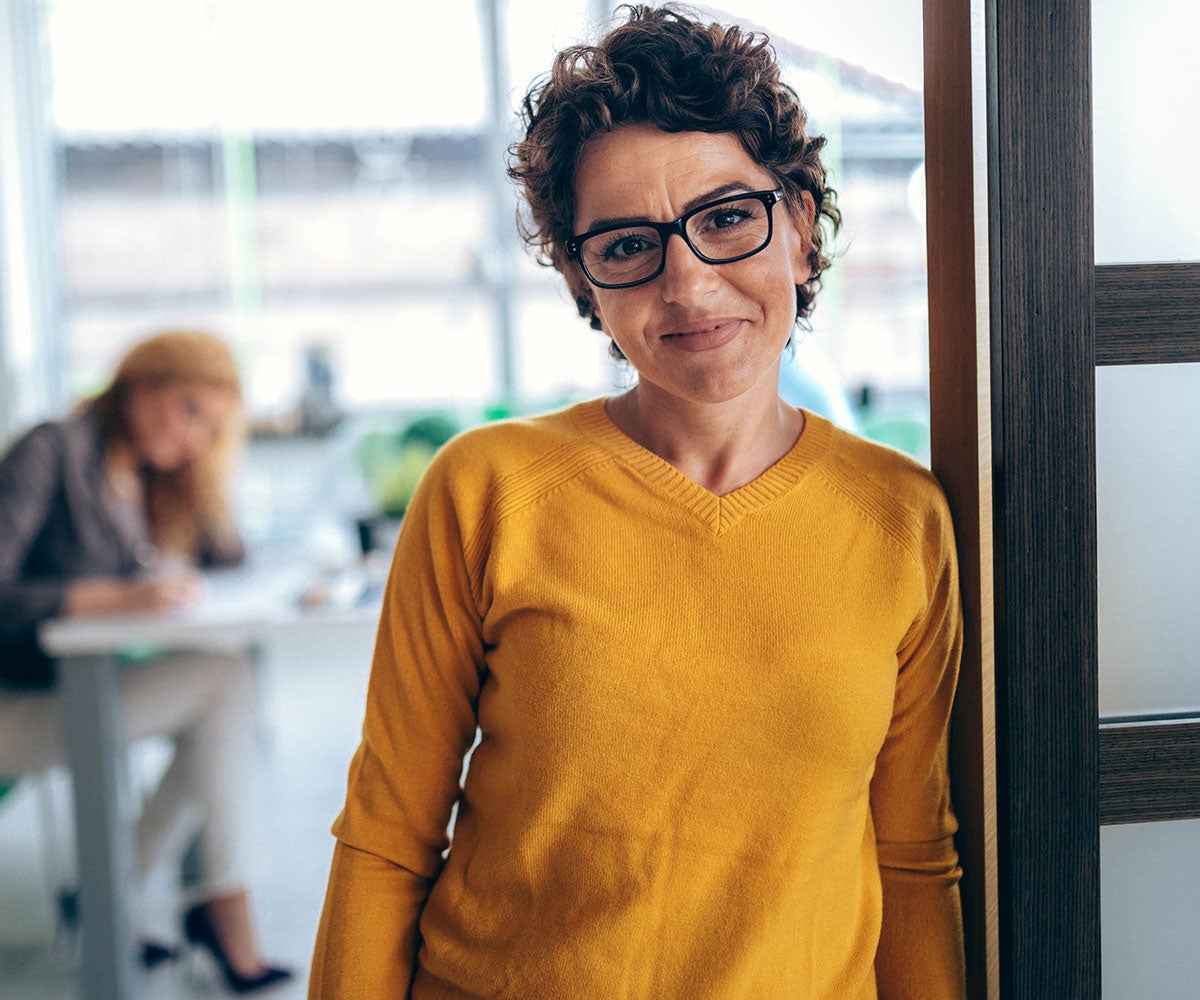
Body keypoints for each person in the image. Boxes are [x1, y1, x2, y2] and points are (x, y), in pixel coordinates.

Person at [310, 5, 965, 998]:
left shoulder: (902, 519)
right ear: (584, 281)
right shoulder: (486, 491)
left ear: (795, 222)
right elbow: (384, 842)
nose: (690, 289)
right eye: (626, 245)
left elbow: (913, 856)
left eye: (727, 218)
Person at [0, 330, 292, 994]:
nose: (193, 435)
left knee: (222, 688)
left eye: (211, 426)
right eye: (190, 410)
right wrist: (114, 597)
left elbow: (227, 559)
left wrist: (206, 474)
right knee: (222, 684)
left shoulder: (140, 474)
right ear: (142, 384)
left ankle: (117, 893)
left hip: (76, 692)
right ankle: (214, 905)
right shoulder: (52, 449)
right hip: (14, 704)